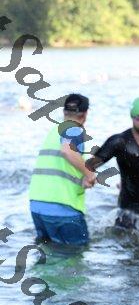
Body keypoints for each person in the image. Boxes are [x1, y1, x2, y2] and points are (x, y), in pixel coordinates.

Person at [87, 97, 139, 231]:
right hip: (127, 207)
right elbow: (90, 165)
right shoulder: (119, 142)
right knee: (123, 241)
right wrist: (86, 176)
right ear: (132, 118)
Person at [29, 93, 95, 248]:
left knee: (48, 254)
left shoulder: (54, 132)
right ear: (85, 114)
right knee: (75, 254)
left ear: (64, 111)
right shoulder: (74, 129)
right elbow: (67, 150)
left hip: (37, 206)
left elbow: (61, 169)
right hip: (62, 209)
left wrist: (82, 180)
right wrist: (89, 174)